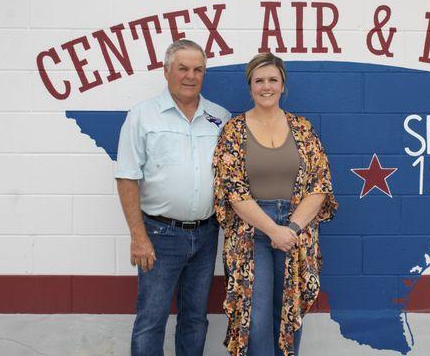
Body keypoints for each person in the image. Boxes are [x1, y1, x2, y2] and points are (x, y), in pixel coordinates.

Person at [213, 53, 338, 356]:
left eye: (273, 80)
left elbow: (320, 184)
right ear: (250, 86)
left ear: (283, 85)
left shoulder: (302, 128)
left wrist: (291, 228)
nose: (266, 86)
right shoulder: (234, 130)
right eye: (259, 81)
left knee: (289, 312)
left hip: (295, 228)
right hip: (251, 231)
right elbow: (233, 190)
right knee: (254, 316)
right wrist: (272, 229)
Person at [115, 39, 230, 356]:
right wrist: (138, 237)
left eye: (198, 69)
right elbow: (127, 177)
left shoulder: (219, 117)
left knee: (195, 318)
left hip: (206, 234)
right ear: (167, 71)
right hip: (159, 235)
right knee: (151, 319)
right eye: (183, 68)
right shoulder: (142, 116)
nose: (191, 76)